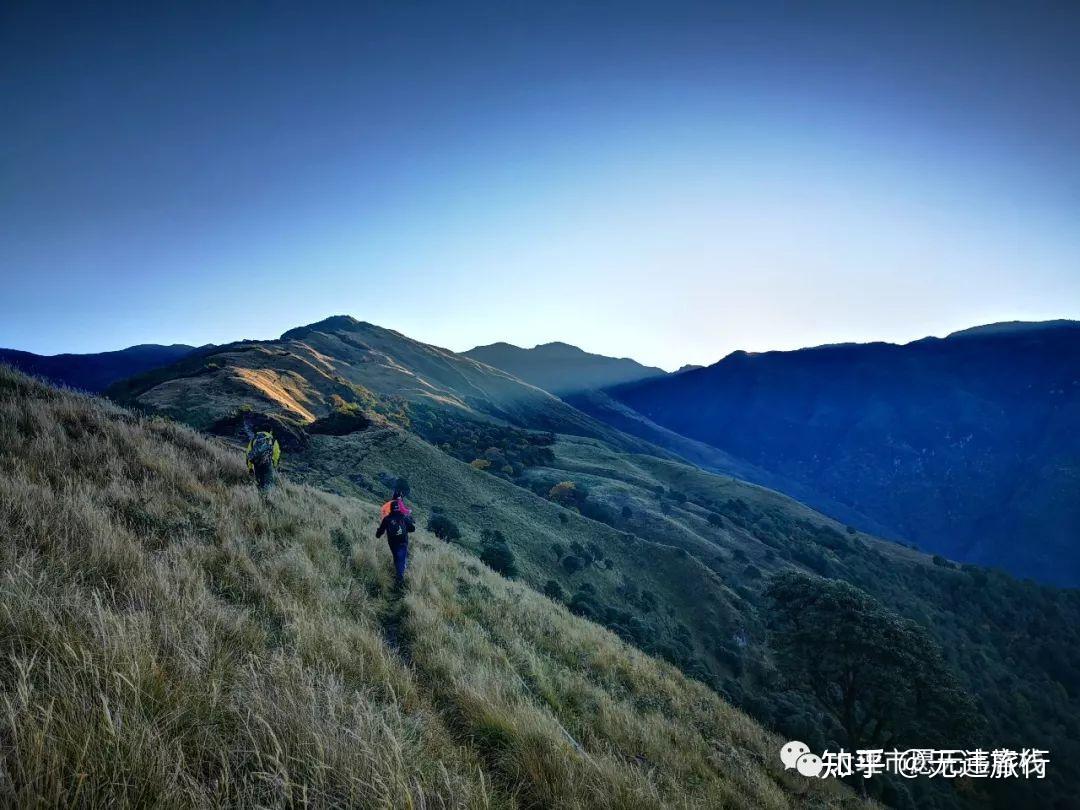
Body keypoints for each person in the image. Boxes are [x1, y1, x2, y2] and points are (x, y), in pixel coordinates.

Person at [376, 499, 415, 584]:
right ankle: (401, 576)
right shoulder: (404, 517)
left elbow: (381, 530)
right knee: (402, 557)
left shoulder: (387, 519)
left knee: (396, 557)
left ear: (391, 508)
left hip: (393, 542)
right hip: (403, 541)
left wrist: (378, 535)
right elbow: (413, 529)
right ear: (399, 509)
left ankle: (399, 575)